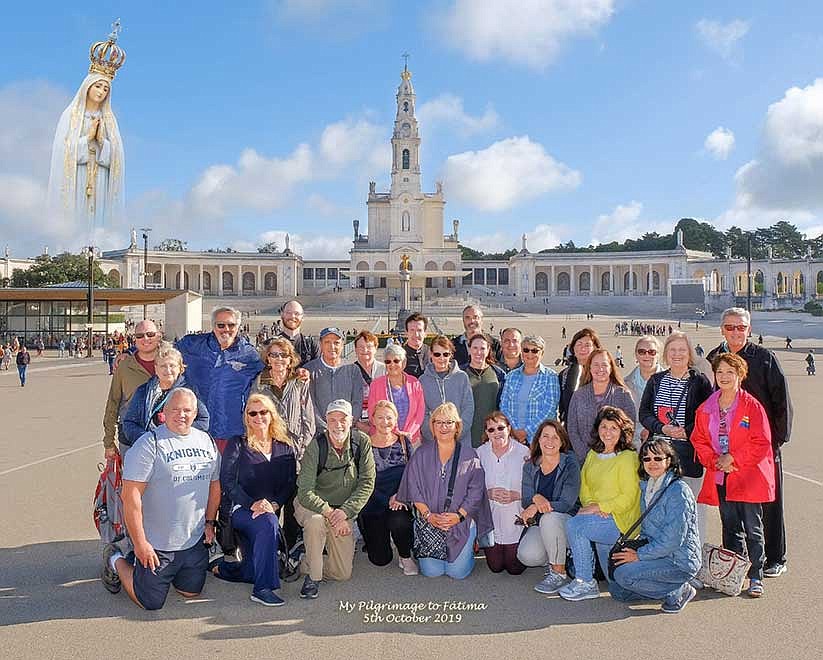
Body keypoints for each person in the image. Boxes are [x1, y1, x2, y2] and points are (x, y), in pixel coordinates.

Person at [101, 389, 221, 610]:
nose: (181, 414)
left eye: (187, 410)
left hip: (192, 541)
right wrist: (140, 543)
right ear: (163, 413)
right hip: (157, 544)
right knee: (151, 602)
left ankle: (170, 574)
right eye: (175, 409)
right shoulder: (149, 444)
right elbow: (131, 496)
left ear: (195, 413)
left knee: (190, 591)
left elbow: (214, 485)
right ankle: (116, 559)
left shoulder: (206, 441)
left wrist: (210, 523)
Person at [707, 307, 792, 578]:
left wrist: (775, 442)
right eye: (730, 327)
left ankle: (775, 557)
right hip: (725, 449)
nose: (735, 332)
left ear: (749, 329)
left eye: (741, 327)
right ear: (722, 329)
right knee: (730, 505)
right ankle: (736, 559)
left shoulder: (764, 358)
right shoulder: (713, 358)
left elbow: (781, 402)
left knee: (769, 503)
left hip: (761, 448)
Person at [691, 353, 775, 598]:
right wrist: (715, 460)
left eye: (730, 372)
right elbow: (698, 438)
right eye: (720, 372)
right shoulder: (706, 407)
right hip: (720, 475)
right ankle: (733, 572)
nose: (724, 377)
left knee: (752, 527)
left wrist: (733, 458)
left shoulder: (752, 406)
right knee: (729, 526)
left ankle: (756, 575)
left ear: (740, 375)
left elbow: (762, 441)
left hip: (748, 475)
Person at [211, 394, 297, 607]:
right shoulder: (237, 444)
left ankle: (222, 567)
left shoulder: (284, 447)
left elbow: (289, 482)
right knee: (268, 521)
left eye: (263, 412)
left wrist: (276, 503)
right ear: (247, 418)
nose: (258, 417)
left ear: (272, 415)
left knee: (251, 570)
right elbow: (228, 481)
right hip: (241, 510)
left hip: (269, 511)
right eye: (253, 413)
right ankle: (263, 589)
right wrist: (252, 504)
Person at [397, 403, 493, 579]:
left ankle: (469, 547)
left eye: (449, 422)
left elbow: (476, 492)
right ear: (432, 426)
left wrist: (459, 516)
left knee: (457, 573)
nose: (443, 427)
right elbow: (413, 487)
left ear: (457, 426)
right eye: (438, 422)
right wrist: (428, 515)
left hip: (460, 522)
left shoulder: (469, 456)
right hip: (430, 521)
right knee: (432, 572)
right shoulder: (421, 454)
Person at [609, 437, 702, 614]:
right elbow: (646, 530)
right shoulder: (647, 486)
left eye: (658, 458)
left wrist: (639, 555)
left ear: (669, 460)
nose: (652, 463)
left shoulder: (678, 491)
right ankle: (660, 589)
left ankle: (679, 590)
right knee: (618, 591)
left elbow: (673, 541)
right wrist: (634, 549)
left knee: (624, 575)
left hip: (678, 560)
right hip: (657, 553)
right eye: (647, 458)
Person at [294, 400, 376, 599]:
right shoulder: (317, 445)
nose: (338, 424)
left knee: (342, 573)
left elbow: (367, 482)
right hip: (312, 506)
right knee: (315, 523)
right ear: (326, 421)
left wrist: (345, 513)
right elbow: (304, 491)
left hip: (342, 509)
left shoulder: (361, 442)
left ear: (351, 421)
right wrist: (330, 513)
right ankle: (313, 578)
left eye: (343, 419)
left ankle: (305, 560)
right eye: (332, 419)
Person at [558, 407, 641, 601]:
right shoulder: (593, 454)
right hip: (599, 518)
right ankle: (589, 577)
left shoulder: (628, 458)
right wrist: (592, 507)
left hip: (620, 520)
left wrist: (601, 507)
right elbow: (584, 487)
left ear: (622, 431)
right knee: (614, 584)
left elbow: (629, 497)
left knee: (575, 526)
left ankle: (585, 581)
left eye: (614, 428)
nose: (608, 432)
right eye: (604, 426)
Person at [639, 331, 713, 544]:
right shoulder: (656, 380)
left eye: (682, 350)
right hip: (658, 456)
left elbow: (707, 415)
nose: (677, 354)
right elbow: (644, 413)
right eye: (672, 350)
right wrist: (662, 427)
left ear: (689, 353)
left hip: (687, 455)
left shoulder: (699, 381)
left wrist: (687, 431)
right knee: (659, 509)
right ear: (666, 354)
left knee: (691, 509)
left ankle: (692, 558)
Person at [47, 53, 125, 235]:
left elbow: (118, 156)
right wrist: (87, 138)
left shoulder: (109, 120)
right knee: (77, 218)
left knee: (96, 221)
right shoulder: (71, 116)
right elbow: (61, 151)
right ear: (87, 87)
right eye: (98, 86)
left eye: (106, 89)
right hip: (77, 177)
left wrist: (101, 142)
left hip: (100, 180)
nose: (101, 92)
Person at [177, 307, 264, 454]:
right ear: (213, 326)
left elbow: (271, 372)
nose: (226, 330)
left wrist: (300, 373)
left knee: (229, 475)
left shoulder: (249, 354)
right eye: (221, 325)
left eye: (231, 325)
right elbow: (164, 352)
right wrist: (129, 353)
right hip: (197, 428)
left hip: (232, 430)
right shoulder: (193, 345)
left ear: (238, 327)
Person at [517, 420, 581, 594]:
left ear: (562, 442)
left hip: (567, 521)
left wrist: (537, 505)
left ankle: (558, 573)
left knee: (550, 518)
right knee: (527, 556)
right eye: (545, 436)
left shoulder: (570, 464)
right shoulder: (530, 466)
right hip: (542, 524)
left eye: (555, 437)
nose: (550, 441)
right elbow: (526, 499)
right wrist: (536, 498)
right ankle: (557, 553)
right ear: (538, 439)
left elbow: (566, 503)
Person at [358, 400, 416, 575]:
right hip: (372, 505)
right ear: (373, 420)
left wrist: (401, 495)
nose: (385, 422)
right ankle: (384, 539)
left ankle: (405, 556)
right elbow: (359, 480)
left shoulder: (404, 442)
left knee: (399, 522)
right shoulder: (363, 444)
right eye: (380, 417)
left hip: (398, 501)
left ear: (396, 419)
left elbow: (413, 475)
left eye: (389, 418)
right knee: (380, 560)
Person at [121, 343, 209, 451]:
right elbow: (129, 423)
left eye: (172, 365)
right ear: (156, 368)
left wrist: (174, 435)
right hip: (149, 448)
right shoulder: (143, 391)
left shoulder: (189, 392)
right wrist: (148, 439)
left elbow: (203, 421)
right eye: (163, 366)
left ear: (181, 368)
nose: (167, 370)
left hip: (179, 450)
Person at [476, 412, 529, 575]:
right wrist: (488, 493)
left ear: (509, 428)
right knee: (496, 566)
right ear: (486, 433)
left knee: (514, 568)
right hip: (491, 519)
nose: (496, 433)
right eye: (491, 430)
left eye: (500, 428)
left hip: (517, 516)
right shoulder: (480, 453)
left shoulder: (524, 452)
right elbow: (472, 486)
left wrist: (516, 495)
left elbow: (535, 486)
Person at [102, 320, 161, 458]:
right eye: (140, 336)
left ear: (158, 336)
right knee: (132, 479)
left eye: (150, 334)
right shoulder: (124, 366)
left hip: (165, 435)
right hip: (130, 436)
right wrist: (108, 442)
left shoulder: (170, 362)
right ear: (134, 339)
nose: (145, 339)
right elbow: (113, 402)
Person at [567, 348, 637, 463]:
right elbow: (572, 428)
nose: (600, 369)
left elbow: (630, 427)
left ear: (611, 368)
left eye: (604, 365)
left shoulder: (623, 394)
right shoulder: (578, 395)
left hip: (616, 460)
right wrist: (586, 455)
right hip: (584, 461)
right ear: (589, 367)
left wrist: (612, 454)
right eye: (595, 365)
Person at [254, 338, 315, 463]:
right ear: (268, 359)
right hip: (267, 446)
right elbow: (252, 416)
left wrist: (303, 447)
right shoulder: (259, 383)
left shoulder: (299, 382)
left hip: (295, 447)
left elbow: (308, 418)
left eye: (284, 355)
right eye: (274, 355)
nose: (279, 359)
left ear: (290, 360)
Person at [499, 335, 559, 444]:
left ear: (542, 353)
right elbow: (504, 405)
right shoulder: (512, 376)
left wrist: (526, 432)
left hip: (540, 439)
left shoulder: (551, 376)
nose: (530, 354)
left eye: (535, 351)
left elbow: (549, 410)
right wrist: (514, 430)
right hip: (513, 438)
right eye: (526, 350)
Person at [304, 327, 364, 433]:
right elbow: (310, 404)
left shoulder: (353, 369)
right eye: (327, 342)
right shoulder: (309, 370)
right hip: (319, 433)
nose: (332, 347)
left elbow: (357, 402)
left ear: (342, 345)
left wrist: (347, 424)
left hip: (347, 431)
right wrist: (325, 427)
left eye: (336, 343)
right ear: (321, 345)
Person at [419, 335, 474, 446]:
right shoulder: (422, 380)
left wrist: (458, 433)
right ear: (431, 354)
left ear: (451, 355)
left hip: (460, 442)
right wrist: (433, 435)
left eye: (446, 354)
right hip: (433, 443)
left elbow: (468, 407)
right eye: (437, 354)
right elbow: (422, 413)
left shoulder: (462, 377)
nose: (441, 358)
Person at [367, 343, 425, 444]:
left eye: (396, 361)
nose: (392, 365)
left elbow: (420, 413)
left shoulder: (414, 382)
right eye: (388, 361)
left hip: (411, 438)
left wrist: (408, 433)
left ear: (404, 363)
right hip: (384, 439)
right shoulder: (376, 385)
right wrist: (395, 432)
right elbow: (372, 414)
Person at [461, 334, 507, 448]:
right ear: (469, 349)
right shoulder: (460, 374)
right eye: (475, 348)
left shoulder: (499, 374)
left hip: (492, 432)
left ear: (488, 350)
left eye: (482, 348)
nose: (478, 352)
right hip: (467, 432)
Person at [625, 335, 663, 448]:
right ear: (636, 355)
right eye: (642, 351)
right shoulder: (624, 384)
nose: (647, 355)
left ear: (658, 355)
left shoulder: (672, 381)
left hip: (663, 444)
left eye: (651, 352)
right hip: (634, 444)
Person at [558, 328, 602, 423]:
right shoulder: (564, 375)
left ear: (595, 348)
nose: (582, 348)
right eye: (579, 344)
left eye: (587, 345)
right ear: (573, 348)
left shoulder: (602, 373)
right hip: (570, 427)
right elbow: (560, 405)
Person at [352, 330, 386, 434]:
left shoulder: (385, 369)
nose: (365, 350)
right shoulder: (349, 371)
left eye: (369, 347)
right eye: (361, 347)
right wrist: (357, 423)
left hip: (381, 425)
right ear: (356, 350)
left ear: (376, 348)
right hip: (357, 425)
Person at [276, 300, 319, 367]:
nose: (292, 316)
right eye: (288, 312)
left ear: (302, 317)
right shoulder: (270, 344)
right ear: (282, 314)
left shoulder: (311, 345)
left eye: (297, 313)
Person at [402, 312, 430, 378]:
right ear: (406, 333)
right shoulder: (400, 355)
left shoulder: (433, 353)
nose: (416, 334)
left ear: (425, 333)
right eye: (412, 330)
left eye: (419, 330)